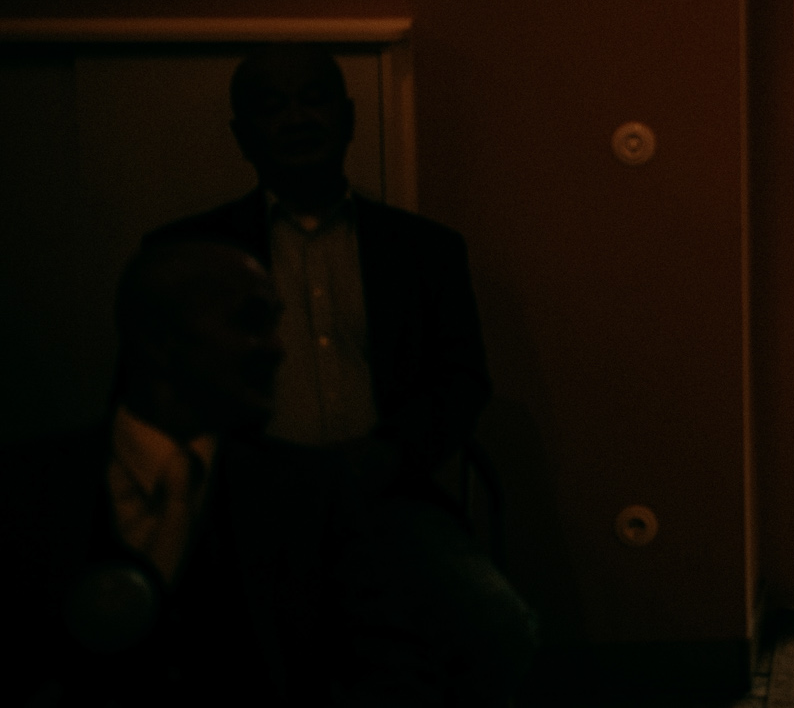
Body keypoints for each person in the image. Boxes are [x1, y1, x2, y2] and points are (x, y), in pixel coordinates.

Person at [143, 45, 534, 704]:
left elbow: (462, 379)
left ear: (348, 117)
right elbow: (155, 388)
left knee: (497, 625)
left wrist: (389, 454)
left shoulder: (425, 250)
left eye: (313, 98)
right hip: (238, 506)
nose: (297, 118)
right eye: (271, 106)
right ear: (242, 135)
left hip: (390, 498)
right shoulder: (190, 254)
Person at [0, 237, 433, 705]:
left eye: (274, 325)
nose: (276, 349)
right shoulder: (24, 490)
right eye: (251, 322)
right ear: (159, 341)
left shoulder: (312, 493)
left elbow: (392, 671)